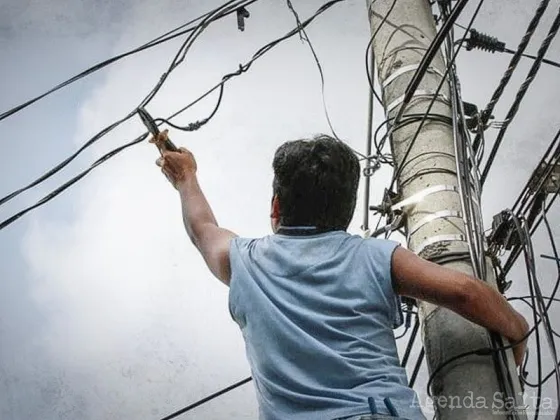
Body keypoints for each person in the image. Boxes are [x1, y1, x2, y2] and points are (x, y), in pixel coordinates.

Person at [155, 133, 529, 420]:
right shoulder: (374, 255)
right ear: (347, 211)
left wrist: (186, 177)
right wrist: (517, 329)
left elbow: (201, 228)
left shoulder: (244, 262)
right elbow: (465, 291)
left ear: (276, 206)